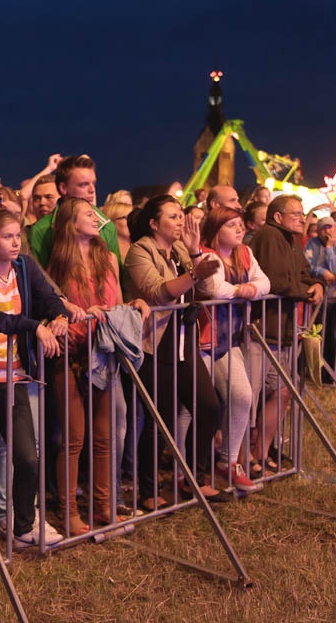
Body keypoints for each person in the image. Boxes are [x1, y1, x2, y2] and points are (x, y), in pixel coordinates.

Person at [0, 210, 68, 559]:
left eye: (17, 235)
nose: (15, 241)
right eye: (7, 236)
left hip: (16, 375)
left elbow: (49, 295)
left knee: (28, 458)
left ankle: (21, 525)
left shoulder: (24, 266)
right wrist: (31, 325)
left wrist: (58, 316)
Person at [47, 197, 150, 533]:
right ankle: (69, 512)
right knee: (74, 438)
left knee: (104, 436)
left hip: (104, 352)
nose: (96, 218)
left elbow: (116, 304)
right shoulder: (58, 264)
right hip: (72, 354)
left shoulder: (107, 257)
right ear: (70, 222)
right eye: (88, 214)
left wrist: (132, 304)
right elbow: (51, 305)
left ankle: (103, 507)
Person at [122, 196, 231, 506]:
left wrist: (196, 253)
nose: (181, 220)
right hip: (154, 342)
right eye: (173, 216)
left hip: (184, 339)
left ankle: (194, 479)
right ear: (155, 223)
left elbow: (206, 290)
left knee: (209, 407)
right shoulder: (139, 251)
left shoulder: (182, 248)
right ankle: (149, 491)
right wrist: (195, 274)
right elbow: (159, 292)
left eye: (181, 215)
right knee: (161, 419)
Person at [195, 205, 270, 492]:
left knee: (242, 395)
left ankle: (228, 462)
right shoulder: (204, 255)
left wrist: (252, 288)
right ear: (215, 231)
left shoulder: (245, 254)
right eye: (232, 225)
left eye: (241, 224)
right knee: (191, 409)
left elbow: (264, 282)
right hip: (201, 341)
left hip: (228, 342)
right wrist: (241, 291)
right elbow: (214, 288)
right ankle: (183, 473)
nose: (240, 229)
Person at [248, 195, 324, 474]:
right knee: (251, 397)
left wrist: (316, 284)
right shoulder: (269, 236)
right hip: (261, 330)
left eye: (303, 214)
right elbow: (274, 280)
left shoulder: (291, 239)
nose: (302, 218)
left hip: (282, 331)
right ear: (277, 217)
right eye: (296, 214)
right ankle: (241, 457)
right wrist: (305, 291)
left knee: (281, 393)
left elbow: (303, 272)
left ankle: (262, 452)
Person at [28, 154, 121, 266]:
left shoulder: (106, 226)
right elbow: (40, 279)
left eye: (93, 183)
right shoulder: (41, 230)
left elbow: (116, 278)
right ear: (63, 188)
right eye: (83, 185)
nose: (92, 190)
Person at [304, 216, 336, 382]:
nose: (328, 231)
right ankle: (317, 376)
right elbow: (306, 266)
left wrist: (329, 247)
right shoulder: (311, 243)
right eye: (324, 228)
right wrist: (321, 272)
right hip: (318, 299)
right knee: (317, 338)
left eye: (330, 227)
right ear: (318, 230)